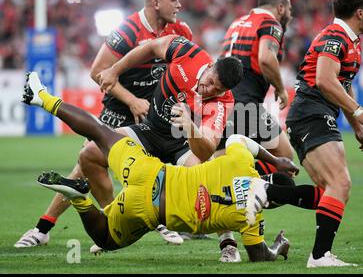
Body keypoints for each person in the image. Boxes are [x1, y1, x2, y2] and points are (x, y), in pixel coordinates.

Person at [22, 71, 296, 262]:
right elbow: (260, 256)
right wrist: (278, 246)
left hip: (149, 171)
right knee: (105, 238)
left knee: (98, 131)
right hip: (149, 210)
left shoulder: (240, 160)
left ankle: (42, 98)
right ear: (271, 203)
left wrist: (276, 160)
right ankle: (82, 200)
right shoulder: (251, 218)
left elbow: (239, 140)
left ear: (265, 175)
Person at [14, 0, 192, 249]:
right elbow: (98, 71)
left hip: (154, 114)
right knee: (87, 162)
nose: (179, 5)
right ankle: (46, 227)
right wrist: (131, 100)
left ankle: (161, 221)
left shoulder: (180, 29)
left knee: (159, 166)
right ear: (156, 3)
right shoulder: (128, 30)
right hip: (121, 110)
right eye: (174, 0)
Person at [80, 33, 250, 262]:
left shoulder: (222, 102)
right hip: (149, 132)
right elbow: (150, 47)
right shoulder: (188, 53)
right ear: (210, 67)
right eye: (209, 82)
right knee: (89, 155)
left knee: (209, 175)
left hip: (181, 145)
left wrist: (190, 127)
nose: (207, 90)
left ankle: (228, 244)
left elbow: (206, 149)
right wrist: (115, 70)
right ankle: (114, 222)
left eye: (216, 89)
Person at [285, 0, 363, 268]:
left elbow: (342, 84)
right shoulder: (335, 36)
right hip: (310, 112)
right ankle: (319, 256)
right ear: (360, 12)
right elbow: (325, 80)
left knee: (329, 190)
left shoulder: (350, 40)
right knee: (340, 183)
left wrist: (357, 126)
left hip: (311, 113)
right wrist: (359, 110)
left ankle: (262, 191)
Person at [216, 0, 294, 175]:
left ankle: (220, 184)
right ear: (281, 7)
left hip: (222, 100)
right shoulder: (270, 23)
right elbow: (266, 59)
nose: (290, 16)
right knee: (285, 155)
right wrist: (281, 88)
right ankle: (249, 191)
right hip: (244, 101)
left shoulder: (237, 23)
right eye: (290, 10)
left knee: (224, 154)